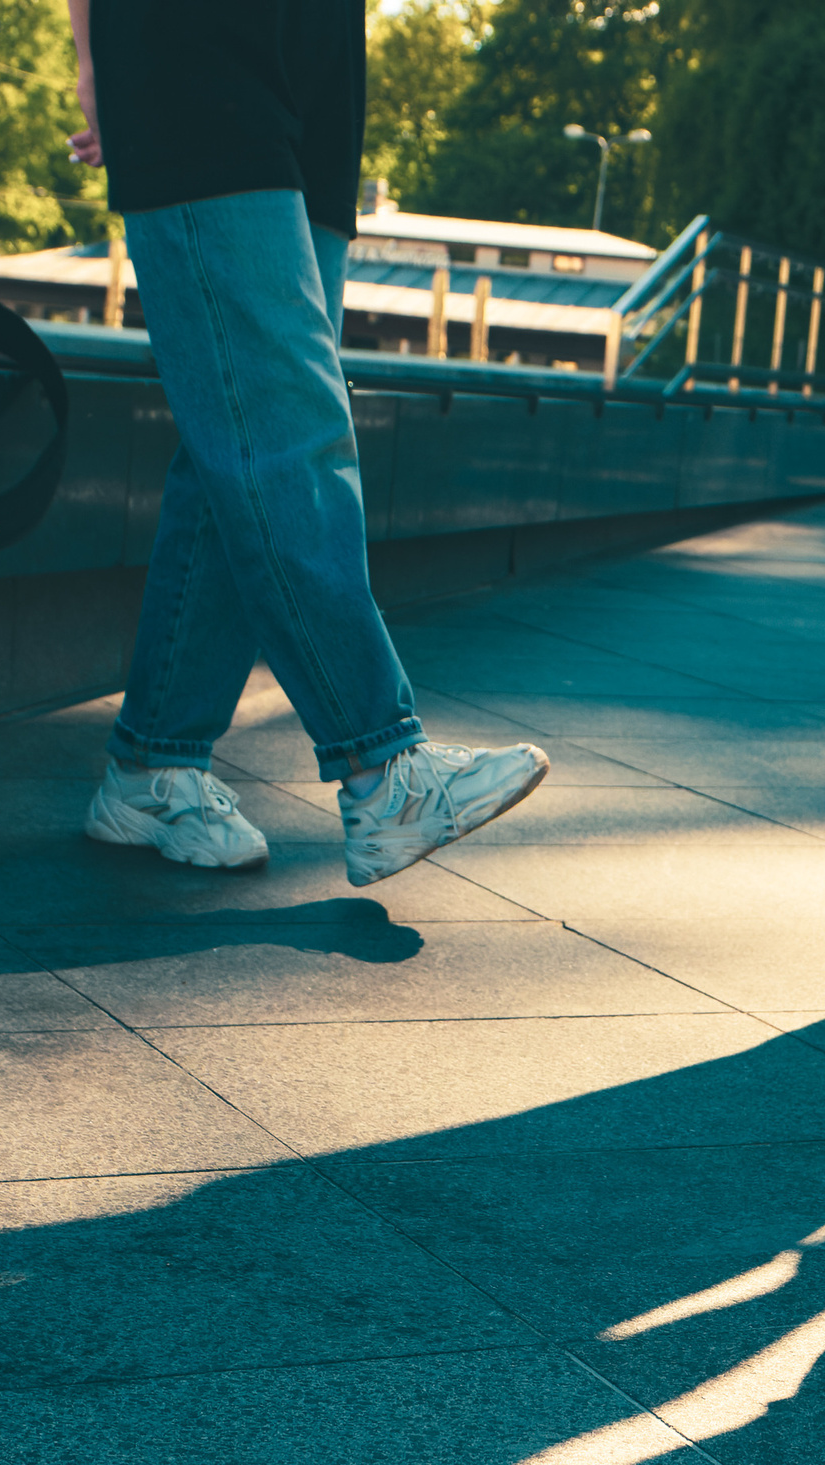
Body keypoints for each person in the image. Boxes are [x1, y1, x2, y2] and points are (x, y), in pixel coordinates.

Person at [63, 0, 547, 886]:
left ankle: (150, 768)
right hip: (189, 49)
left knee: (238, 436)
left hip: (316, 65)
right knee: (289, 435)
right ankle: (380, 770)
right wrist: (94, 60)